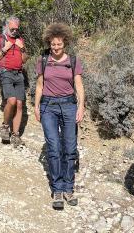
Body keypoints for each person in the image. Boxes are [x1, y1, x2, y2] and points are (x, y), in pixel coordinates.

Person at [34, 23, 85, 210]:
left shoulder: (72, 60)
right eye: (53, 45)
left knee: (70, 148)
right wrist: (36, 106)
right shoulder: (43, 60)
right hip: (48, 106)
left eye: (59, 45)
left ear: (65, 43)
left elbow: (79, 85)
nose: (56, 48)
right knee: (54, 147)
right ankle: (57, 189)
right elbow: (39, 85)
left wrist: (81, 106)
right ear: (49, 43)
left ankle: (68, 187)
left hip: (69, 106)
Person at [0, 16, 28, 147]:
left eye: (17, 29)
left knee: (19, 104)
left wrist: (22, 48)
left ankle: (15, 135)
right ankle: (5, 127)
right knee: (11, 100)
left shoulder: (20, 40)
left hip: (19, 74)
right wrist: (4, 49)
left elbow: (25, 60)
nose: (14, 31)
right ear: (6, 26)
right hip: (5, 72)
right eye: (12, 28)